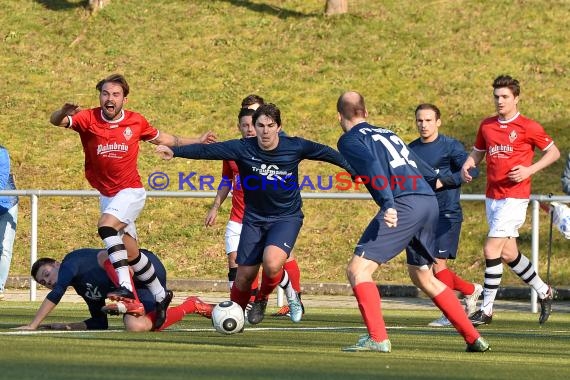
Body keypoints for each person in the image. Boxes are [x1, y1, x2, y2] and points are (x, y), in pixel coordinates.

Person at [157, 103, 354, 325]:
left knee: (271, 263)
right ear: (255, 127)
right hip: (254, 219)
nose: (265, 130)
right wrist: (175, 152)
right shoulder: (243, 148)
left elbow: (327, 153)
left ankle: (262, 299)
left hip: (286, 218)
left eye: (270, 125)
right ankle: (235, 317)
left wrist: (353, 170)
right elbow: (207, 151)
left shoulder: (295, 146)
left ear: (279, 127)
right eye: (260, 125)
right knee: (243, 278)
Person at [48, 73, 215, 329]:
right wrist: (62, 111)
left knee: (106, 227)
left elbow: (169, 139)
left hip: (131, 192)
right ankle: (160, 294)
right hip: (108, 196)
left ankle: (125, 287)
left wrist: (198, 141)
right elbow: (56, 121)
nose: (109, 99)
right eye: (105, 94)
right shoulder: (88, 118)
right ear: (100, 96)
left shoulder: (136, 121)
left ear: (124, 98)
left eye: (115, 94)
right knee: (132, 253)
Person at [336, 91, 489, 353]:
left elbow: (372, 166)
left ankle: (377, 338)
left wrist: (387, 203)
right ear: (366, 113)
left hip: (403, 203)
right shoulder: (389, 134)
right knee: (423, 275)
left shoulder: (349, 140)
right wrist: (452, 178)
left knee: (358, 271)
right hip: (428, 201)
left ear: (340, 116)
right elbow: (423, 169)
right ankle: (474, 338)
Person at [461, 75, 560, 326]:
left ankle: (487, 310)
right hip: (492, 197)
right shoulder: (487, 126)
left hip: (514, 198)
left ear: (516, 98)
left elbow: (554, 152)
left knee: (491, 249)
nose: (500, 101)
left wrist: (529, 170)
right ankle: (545, 291)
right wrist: (468, 164)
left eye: (505, 96)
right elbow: (479, 152)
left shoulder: (528, 126)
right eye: (496, 97)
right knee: (508, 253)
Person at [205, 104, 305, 318]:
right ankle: (237, 312)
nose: (251, 129)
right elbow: (226, 179)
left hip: (271, 217)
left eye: (254, 125)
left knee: (275, 262)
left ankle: (287, 297)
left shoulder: (274, 149)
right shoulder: (235, 151)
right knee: (240, 271)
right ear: (239, 126)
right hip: (239, 219)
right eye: (246, 125)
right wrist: (215, 206)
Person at [408, 104, 483, 327]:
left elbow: (472, 170)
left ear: (438, 122)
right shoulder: (410, 149)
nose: (424, 124)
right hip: (422, 215)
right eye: (420, 120)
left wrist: (444, 181)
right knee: (424, 270)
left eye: (428, 120)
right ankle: (470, 290)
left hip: (447, 214)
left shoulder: (450, 146)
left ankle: (451, 313)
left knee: (437, 266)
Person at [15, 248, 213, 332]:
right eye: (43, 282)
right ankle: (192, 305)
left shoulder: (70, 261)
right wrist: (67, 325)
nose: (47, 281)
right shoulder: (82, 288)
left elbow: (57, 293)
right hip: (140, 288)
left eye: (47, 274)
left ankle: (131, 300)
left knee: (105, 255)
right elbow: (100, 323)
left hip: (143, 267)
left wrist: (33, 324)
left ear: (57, 264)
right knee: (136, 326)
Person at [0, 144, 18, 300]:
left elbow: (1, 181)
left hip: (6, 204)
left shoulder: (2, 152)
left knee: (4, 247)